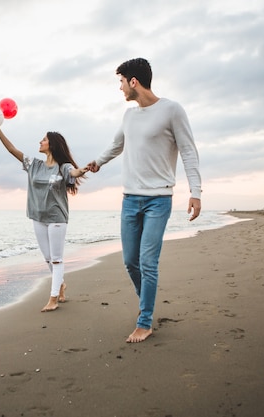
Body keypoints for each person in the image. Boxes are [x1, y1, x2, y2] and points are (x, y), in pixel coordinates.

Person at [87, 58, 202, 343]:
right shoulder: (129, 116)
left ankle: (145, 320)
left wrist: (196, 192)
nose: (120, 88)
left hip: (158, 200)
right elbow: (116, 145)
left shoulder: (172, 110)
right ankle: (146, 302)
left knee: (148, 262)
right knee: (130, 262)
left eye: (121, 82)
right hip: (129, 199)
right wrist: (97, 163)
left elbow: (188, 151)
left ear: (133, 81)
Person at [0, 118, 88, 312]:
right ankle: (60, 285)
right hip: (38, 217)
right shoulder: (34, 165)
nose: (40, 142)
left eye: (43, 139)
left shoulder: (63, 167)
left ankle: (53, 298)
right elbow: (11, 149)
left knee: (57, 258)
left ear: (52, 144)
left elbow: (74, 173)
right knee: (48, 258)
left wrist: (83, 169)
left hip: (57, 218)